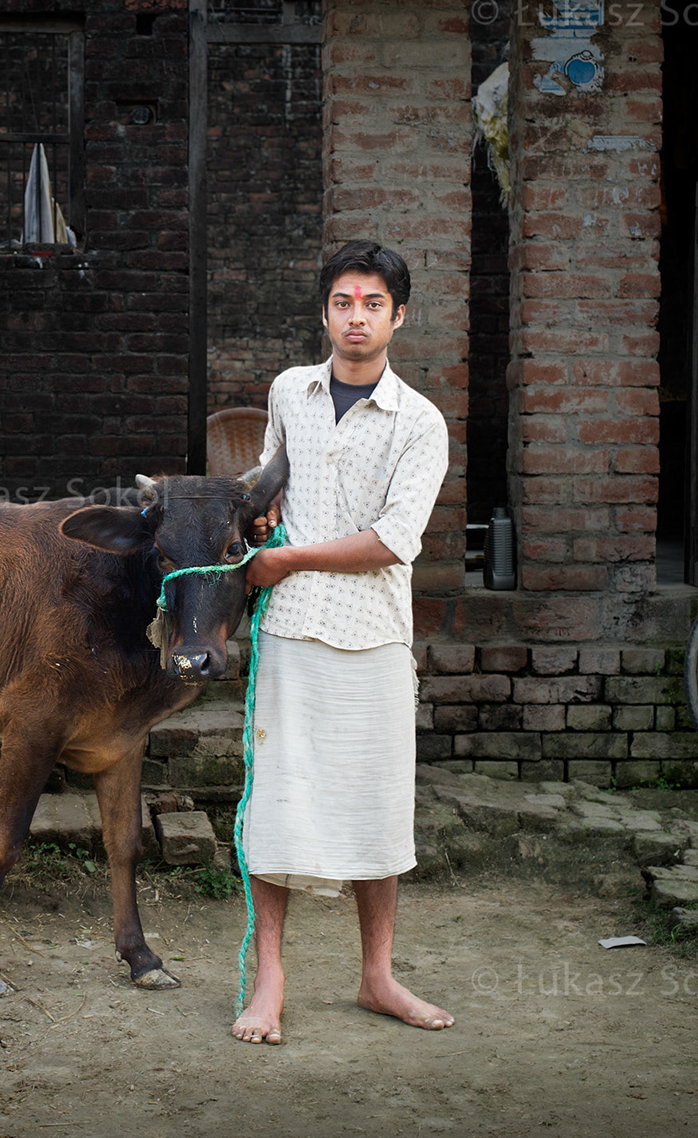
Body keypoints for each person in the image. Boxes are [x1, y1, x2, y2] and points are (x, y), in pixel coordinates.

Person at [229, 239, 453, 1045]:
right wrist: (256, 517)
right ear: (325, 312)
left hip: (373, 636)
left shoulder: (421, 422)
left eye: (372, 305)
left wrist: (285, 556)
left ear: (399, 316)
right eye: (342, 303)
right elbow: (269, 475)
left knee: (377, 807)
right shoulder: (291, 389)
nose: (355, 318)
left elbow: (394, 540)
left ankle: (377, 976)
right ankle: (271, 980)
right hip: (288, 629)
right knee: (276, 804)